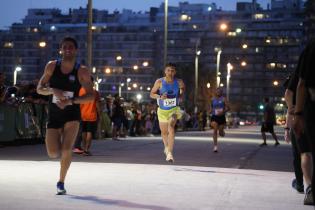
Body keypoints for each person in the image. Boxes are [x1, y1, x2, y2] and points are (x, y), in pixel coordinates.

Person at [36, 37, 94, 195]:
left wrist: (71, 101)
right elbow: (39, 88)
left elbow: (90, 96)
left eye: (71, 47)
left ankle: (61, 181)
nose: (67, 49)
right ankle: (60, 143)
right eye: (65, 47)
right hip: (54, 115)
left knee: (67, 149)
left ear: (76, 50)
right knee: (53, 153)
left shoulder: (82, 71)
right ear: (60, 50)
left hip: (72, 114)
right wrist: (53, 90)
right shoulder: (51, 66)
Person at [284, 51, 313, 205]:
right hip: (305, 111)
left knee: (304, 152)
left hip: (306, 112)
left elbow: (289, 92)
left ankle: (307, 187)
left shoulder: (303, 68)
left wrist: (294, 111)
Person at [293, 39, 315, 205]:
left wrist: (297, 114)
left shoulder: (311, 48)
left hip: (312, 109)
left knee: (306, 152)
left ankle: (310, 188)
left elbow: (301, 85)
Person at [150, 63, 185, 162]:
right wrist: (160, 97)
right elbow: (151, 94)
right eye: (168, 70)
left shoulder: (179, 82)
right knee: (164, 132)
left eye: (172, 70)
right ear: (165, 71)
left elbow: (182, 90)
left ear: (175, 72)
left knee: (171, 126)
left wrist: (180, 94)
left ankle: (170, 153)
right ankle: (166, 147)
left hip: (173, 109)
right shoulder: (159, 82)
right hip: (162, 110)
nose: (170, 72)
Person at [79, 78, 101, 156]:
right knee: (90, 132)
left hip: (82, 114)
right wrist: (99, 114)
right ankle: (86, 150)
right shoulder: (95, 92)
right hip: (92, 115)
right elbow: (97, 105)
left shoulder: (80, 91)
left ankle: (84, 147)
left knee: (84, 132)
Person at [209, 88, 230, 153]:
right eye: (217, 91)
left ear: (221, 92)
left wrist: (223, 111)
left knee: (221, 133)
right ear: (215, 92)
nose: (218, 92)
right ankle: (215, 146)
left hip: (221, 117)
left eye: (219, 91)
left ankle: (222, 131)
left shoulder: (224, 99)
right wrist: (210, 111)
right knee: (215, 128)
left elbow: (228, 108)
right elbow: (210, 107)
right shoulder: (212, 99)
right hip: (214, 116)